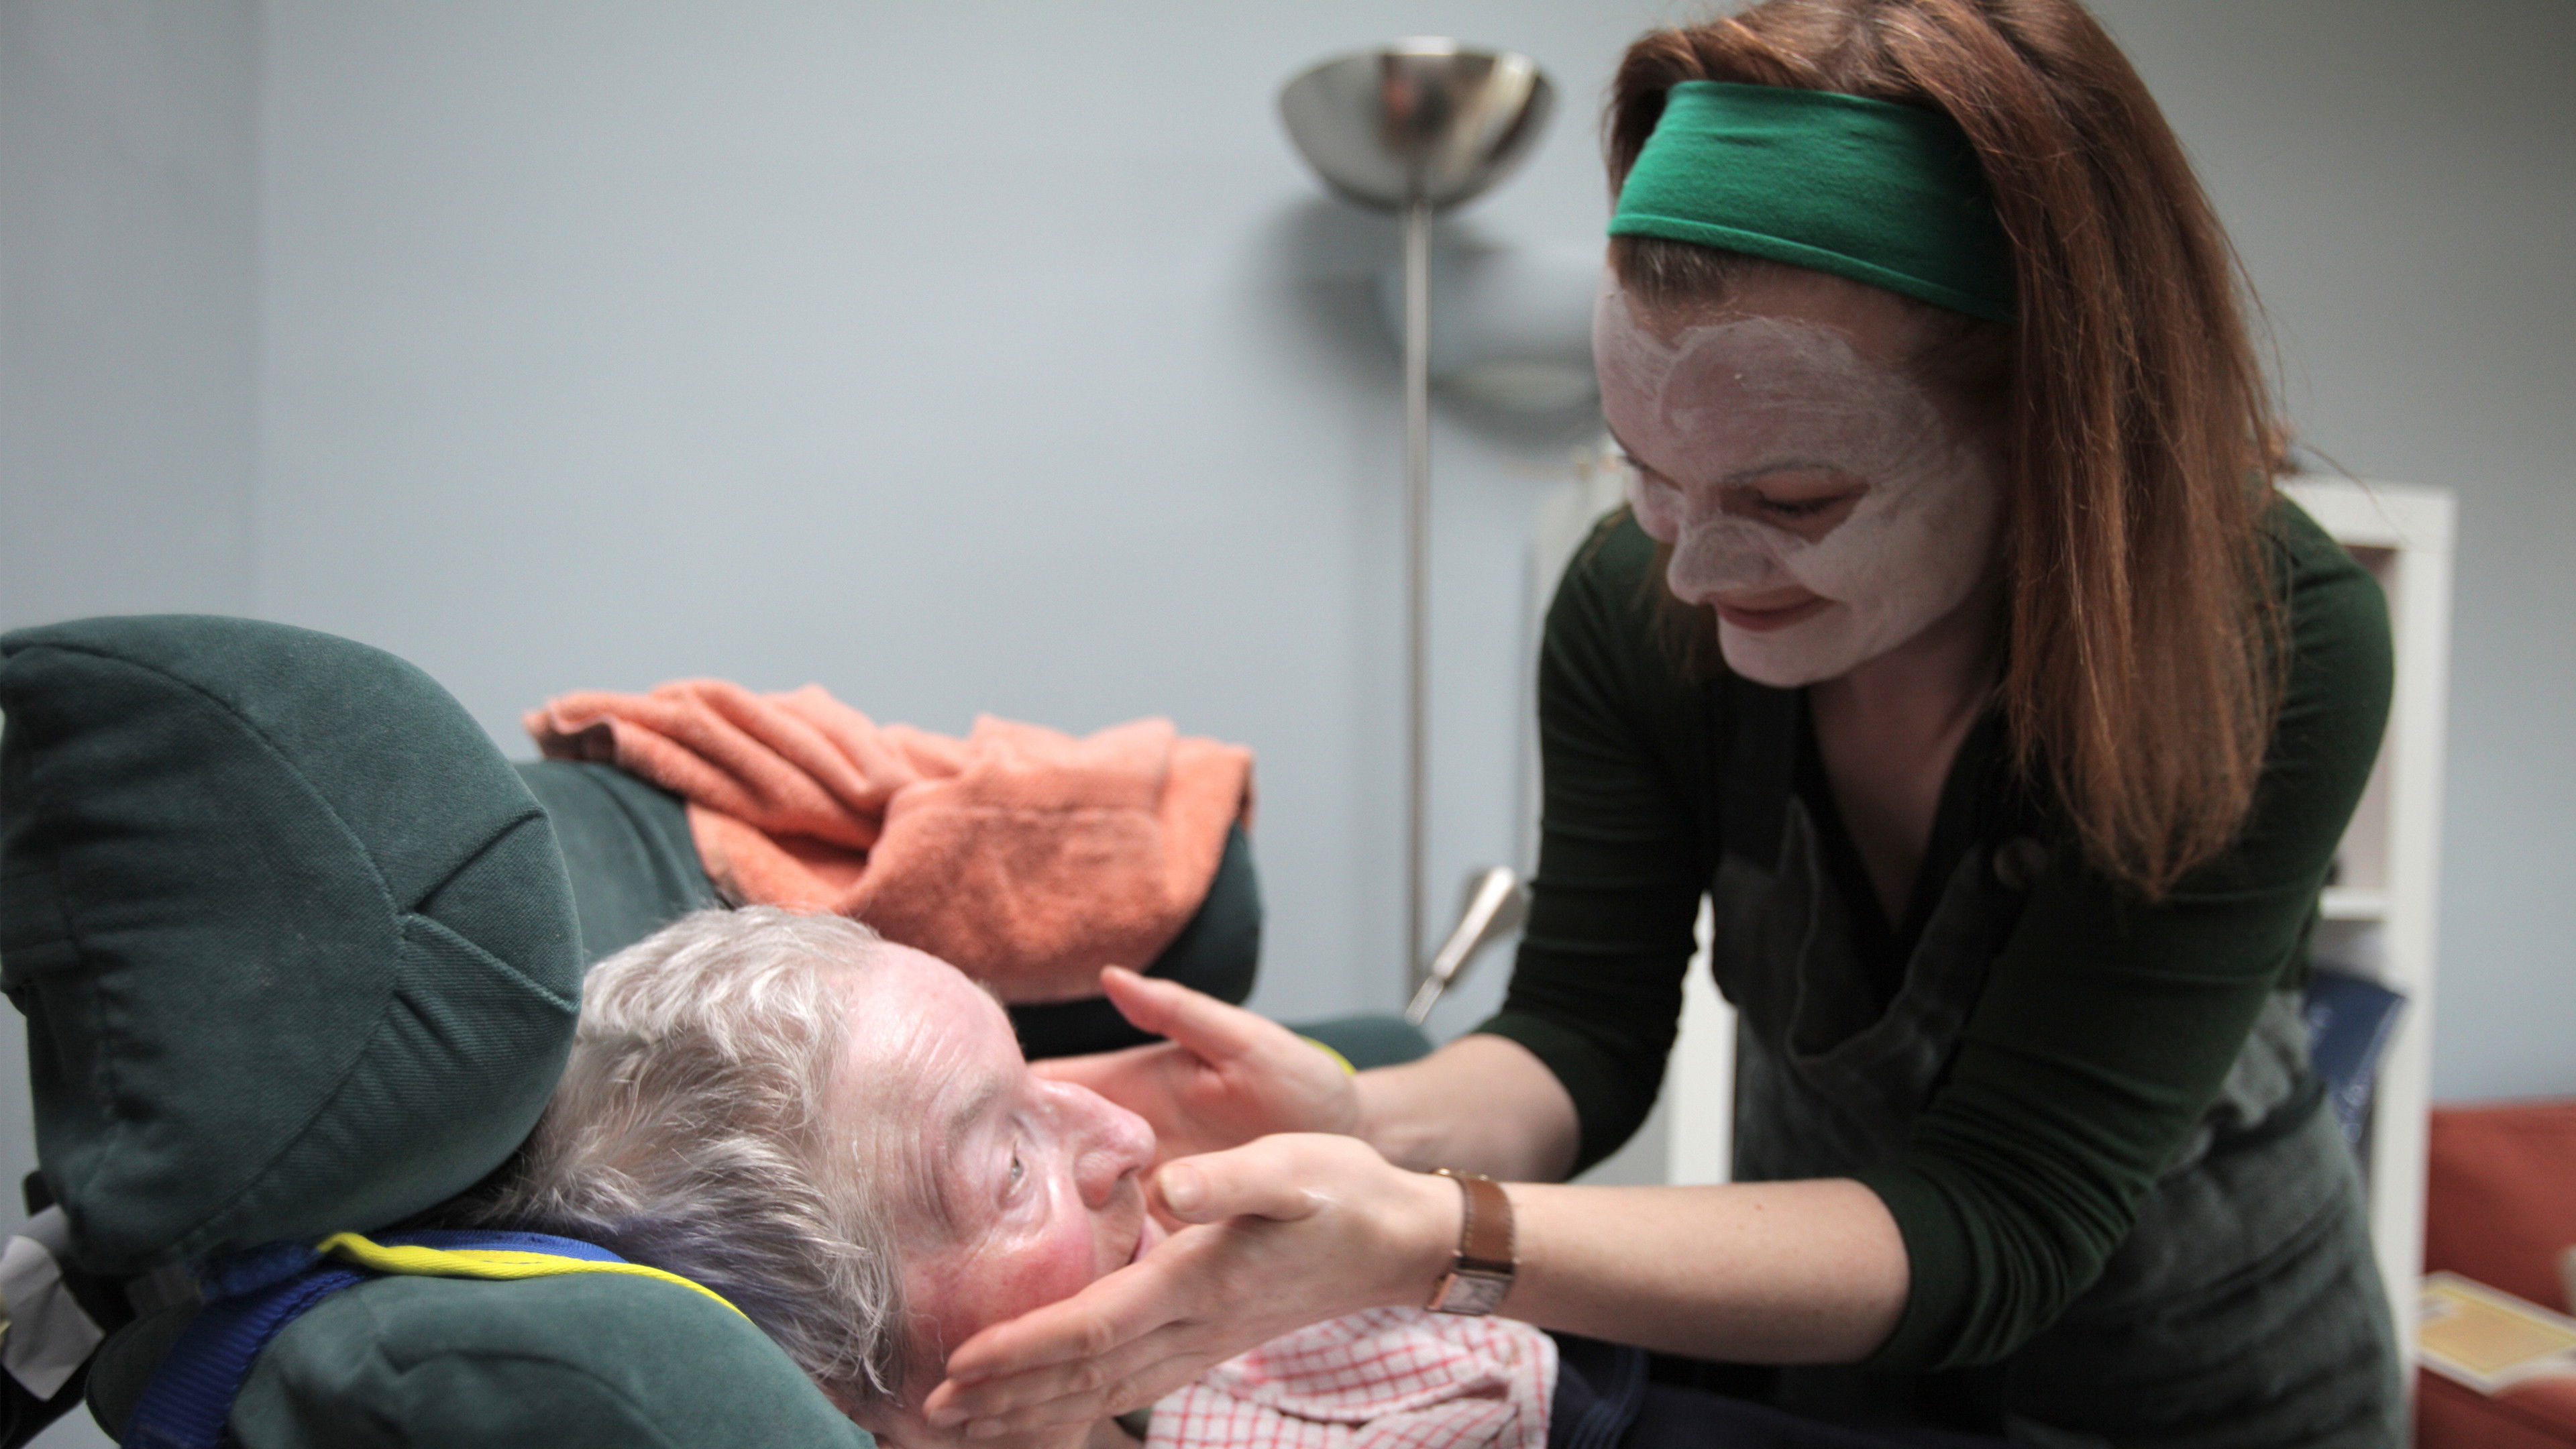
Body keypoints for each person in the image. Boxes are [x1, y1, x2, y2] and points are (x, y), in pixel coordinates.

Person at [917, 2, 2401, 1445]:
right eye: (1644, 470)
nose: (1692, 571)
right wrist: (1366, 1121)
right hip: (1826, 1377)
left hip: (2211, 1384)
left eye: (1792, 500)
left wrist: (1440, 1239)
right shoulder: (1632, 608)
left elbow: (1999, 1221)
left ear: (2049, 426)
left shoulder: (2273, 639)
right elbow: (1582, 1035)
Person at [466, 907, 1556, 1449]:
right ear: (840, 1389)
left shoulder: (1232, 1294)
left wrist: (1368, 1138)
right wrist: (1442, 1239)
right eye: (1015, 1165)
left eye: (1032, 1072)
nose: (1127, 1131)